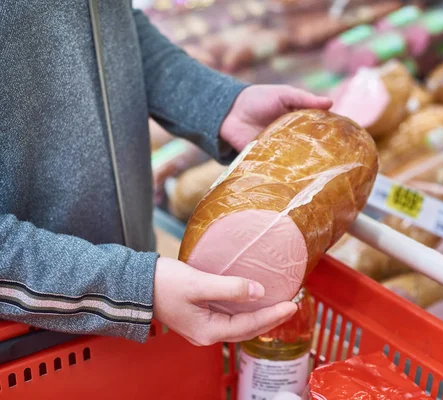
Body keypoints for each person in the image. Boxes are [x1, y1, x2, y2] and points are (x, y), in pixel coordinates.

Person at [0, 1, 332, 346]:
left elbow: (106, 26)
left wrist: (218, 104)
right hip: (19, 340)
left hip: (125, 307)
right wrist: (135, 285)